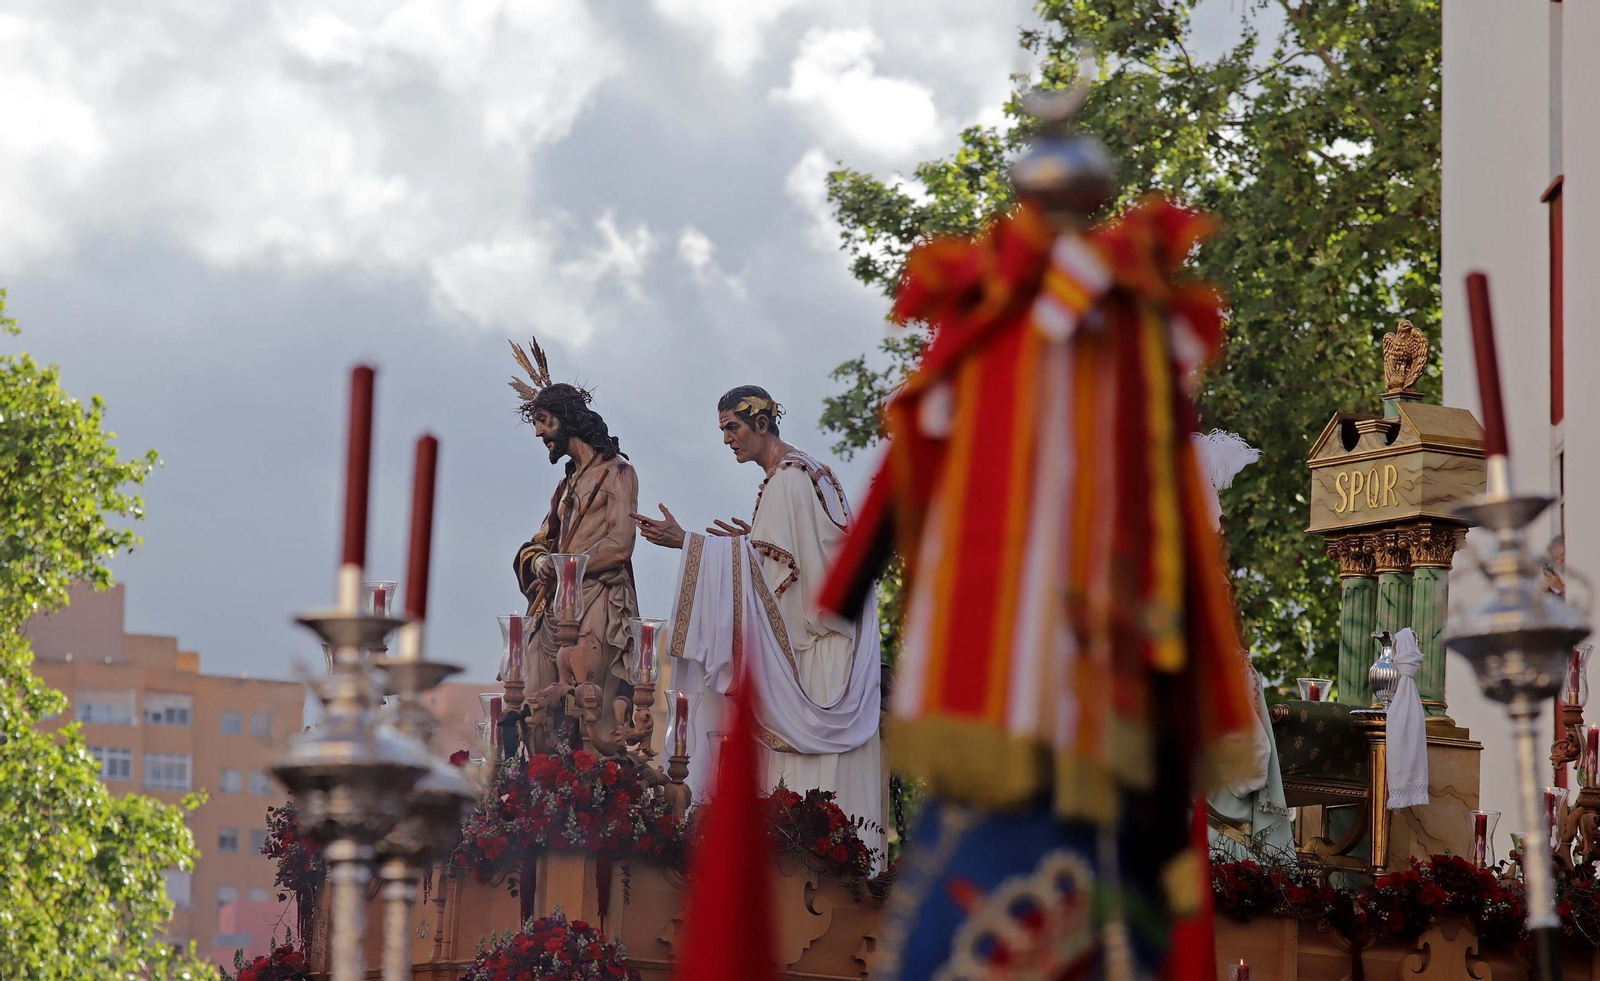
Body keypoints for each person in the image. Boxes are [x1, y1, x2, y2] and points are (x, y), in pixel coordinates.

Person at [633, 386, 885, 861]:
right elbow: (810, 563)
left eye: (733, 426)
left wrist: (689, 544)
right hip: (836, 653)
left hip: (814, 662)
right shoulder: (809, 473)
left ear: (763, 423)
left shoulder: (788, 480)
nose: (727, 439)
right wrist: (752, 547)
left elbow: (777, 589)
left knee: (811, 796)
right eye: (723, 429)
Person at [508, 338, 640, 745]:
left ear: (568, 418)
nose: (539, 432)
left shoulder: (618, 473)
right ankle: (542, 787)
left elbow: (620, 544)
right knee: (535, 703)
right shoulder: (566, 485)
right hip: (555, 604)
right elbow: (542, 543)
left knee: (589, 703)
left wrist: (569, 566)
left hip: (599, 596)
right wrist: (541, 564)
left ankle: (590, 784)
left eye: (545, 421)